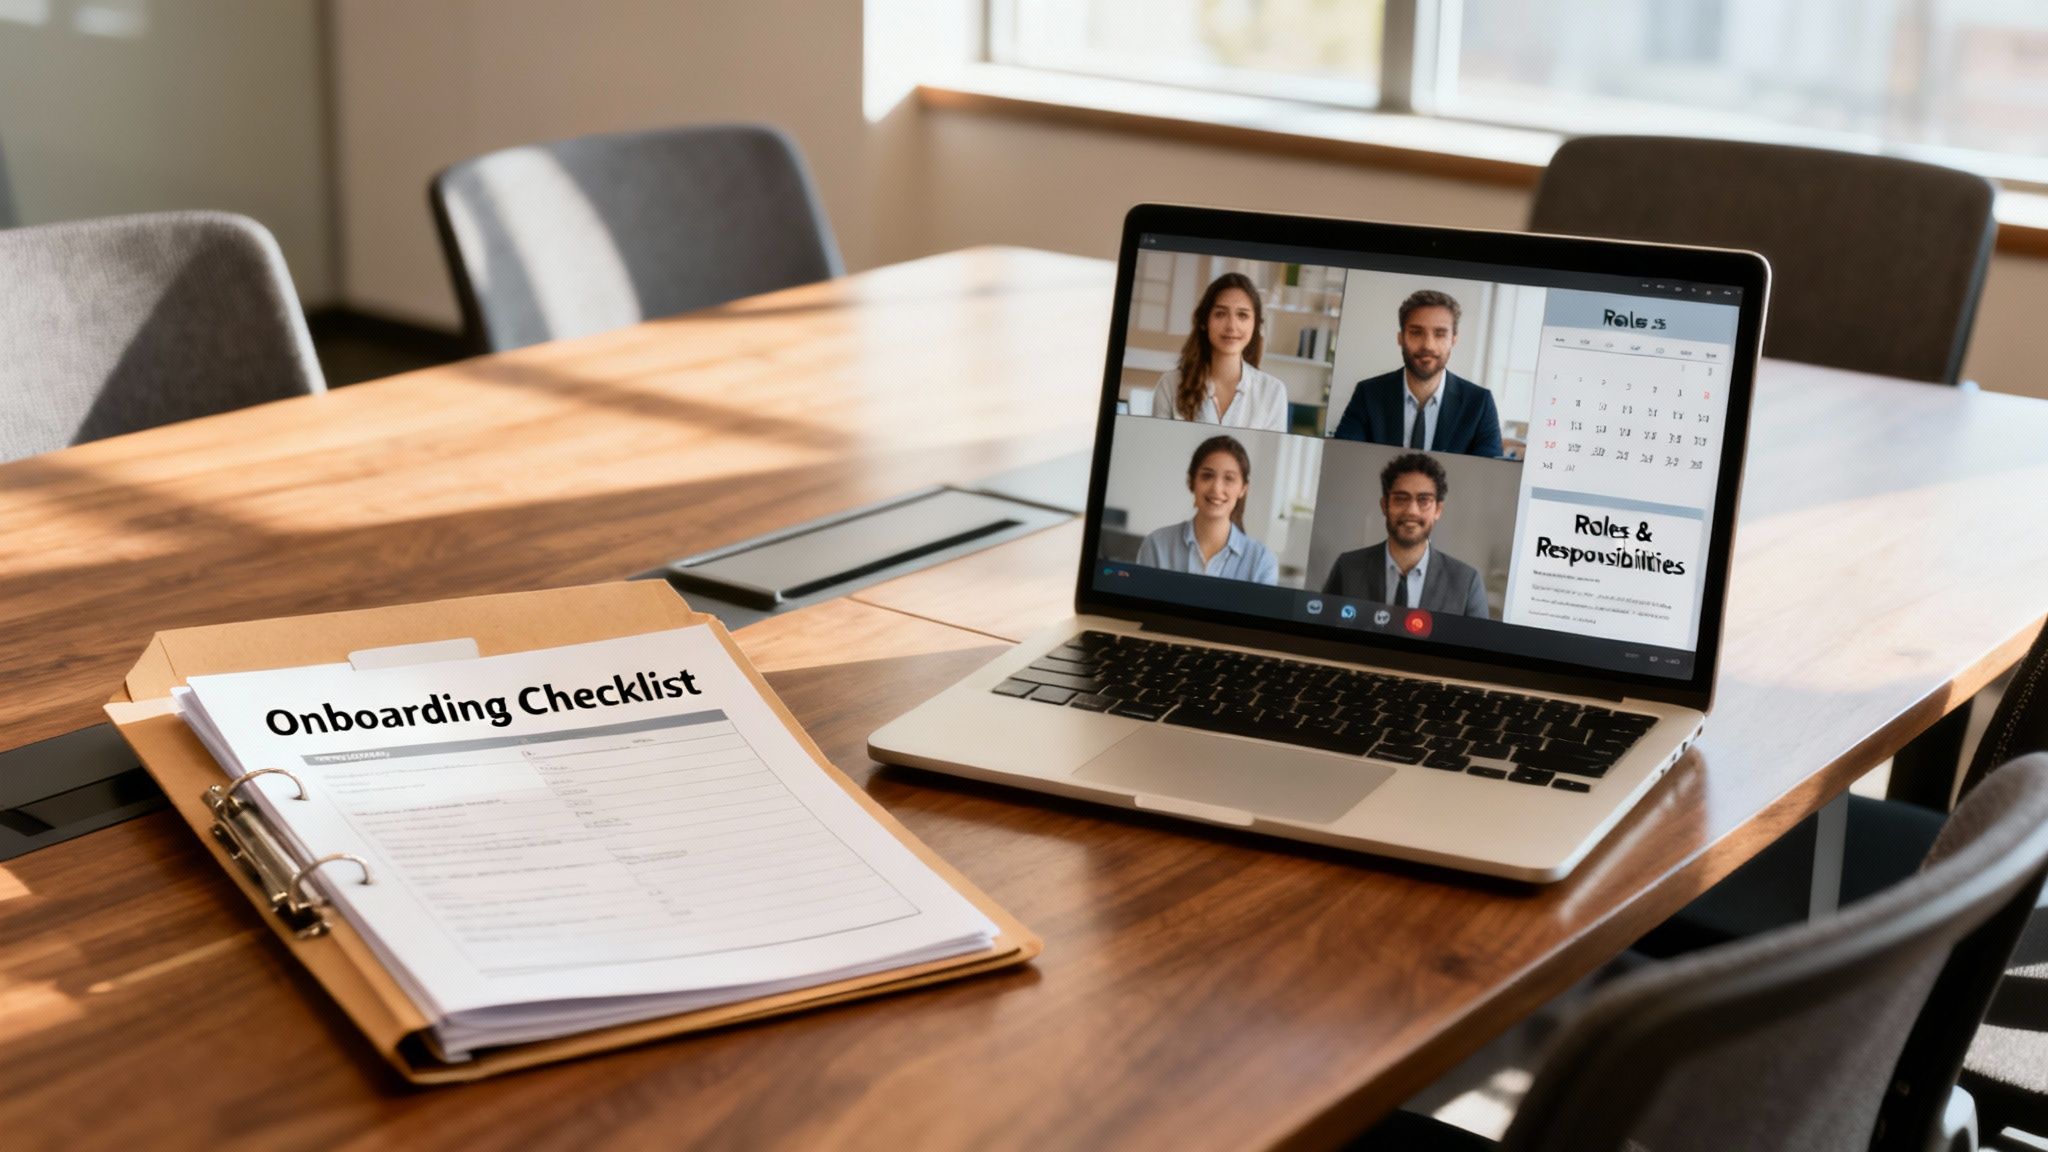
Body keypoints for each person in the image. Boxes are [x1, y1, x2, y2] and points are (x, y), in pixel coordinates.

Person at [1331, 289, 1504, 458]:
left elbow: (1488, 478)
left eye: (1440, 334)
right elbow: (1343, 459)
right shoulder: (1368, 394)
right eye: (1416, 332)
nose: (1428, 345)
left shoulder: (1480, 404)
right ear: (1401, 338)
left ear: (1453, 340)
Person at [1322, 452, 1489, 617]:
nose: (1411, 511)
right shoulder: (1347, 568)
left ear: (1438, 510)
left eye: (1423, 500)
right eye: (1401, 499)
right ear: (1384, 505)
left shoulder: (1466, 582)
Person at [1149, 272, 1290, 432]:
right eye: (1220, 314)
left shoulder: (1273, 392)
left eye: (1242, 315)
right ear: (1204, 321)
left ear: (1256, 325)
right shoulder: (1170, 385)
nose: (1231, 326)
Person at [1135, 435, 1279, 585]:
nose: (1217, 489)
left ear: (1243, 489)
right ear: (1191, 481)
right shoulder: (1156, 545)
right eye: (1207, 476)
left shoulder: (1262, 561)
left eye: (1229, 478)